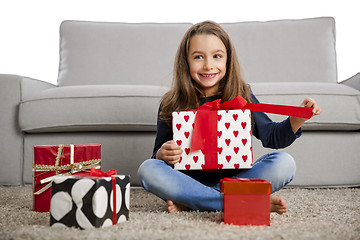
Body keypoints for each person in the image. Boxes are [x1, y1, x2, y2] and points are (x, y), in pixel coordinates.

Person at [137, 21, 321, 214]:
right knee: (148, 169)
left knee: (284, 163)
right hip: (187, 182)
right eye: (198, 57)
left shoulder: (240, 95)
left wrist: (298, 118)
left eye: (217, 56)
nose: (209, 65)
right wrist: (161, 154)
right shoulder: (172, 102)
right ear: (186, 62)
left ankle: (195, 202)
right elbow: (156, 157)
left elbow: (272, 136)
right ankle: (242, 202)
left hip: (236, 182)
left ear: (227, 60)